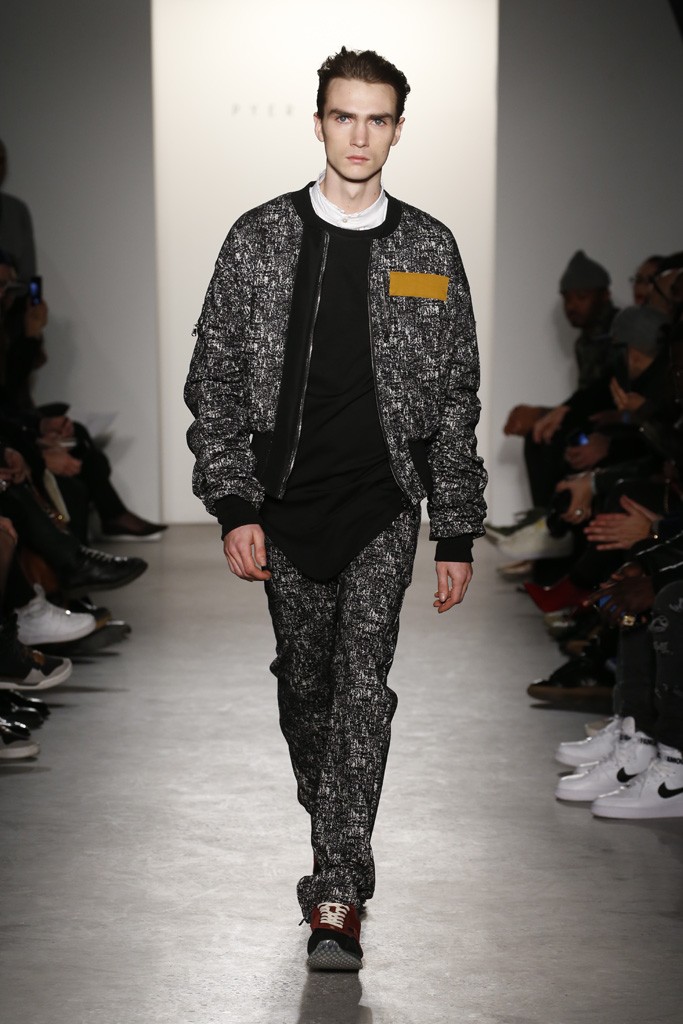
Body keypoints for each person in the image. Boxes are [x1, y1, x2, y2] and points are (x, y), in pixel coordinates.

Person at [185, 46, 487, 971]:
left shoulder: (428, 248)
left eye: (377, 118)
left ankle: (336, 893)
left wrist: (454, 526)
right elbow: (216, 380)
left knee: (362, 690)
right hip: (282, 507)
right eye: (344, 116)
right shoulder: (258, 238)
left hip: (381, 504)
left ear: (398, 128)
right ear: (318, 123)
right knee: (305, 690)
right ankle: (337, 826)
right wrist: (233, 502)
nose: (360, 135)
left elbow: (454, 397)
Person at [0, 140, 36, 284]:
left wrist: (35, 297)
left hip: (14, 295)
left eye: (1, 161)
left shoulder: (17, 210)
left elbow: (31, 274)